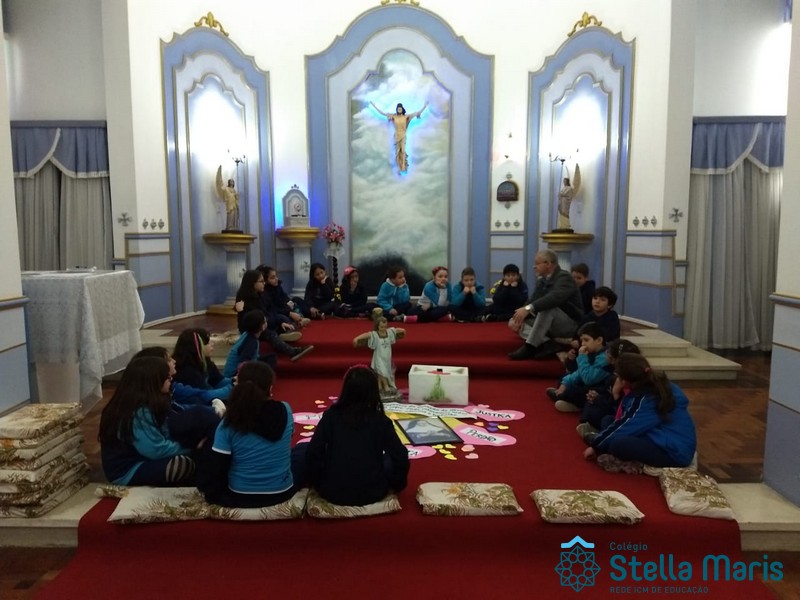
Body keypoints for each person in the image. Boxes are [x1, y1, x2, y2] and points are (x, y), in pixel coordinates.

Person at [197, 361, 306, 508]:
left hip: (240, 495)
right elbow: (287, 441)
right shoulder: (285, 409)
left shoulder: (230, 421)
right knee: (303, 451)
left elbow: (217, 467)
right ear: (270, 388)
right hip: (282, 492)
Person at [305, 365, 410, 506]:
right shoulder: (380, 420)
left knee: (303, 451)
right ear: (373, 392)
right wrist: (396, 484)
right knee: (387, 461)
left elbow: (313, 452)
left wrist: (318, 482)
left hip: (332, 491)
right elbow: (400, 456)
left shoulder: (331, 416)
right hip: (373, 492)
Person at [583, 353, 697, 469]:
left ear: (624, 381)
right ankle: (603, 439)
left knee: (618, 444)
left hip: (673, 453)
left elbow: (628, 424)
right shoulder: (658, 385)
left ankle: (621, 456)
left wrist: (595, 446)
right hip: (659, 435)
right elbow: (625, 419)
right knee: (608, 420)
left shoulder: (647, 398)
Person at [99, 356, 196, 486]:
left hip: (143, 458)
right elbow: (156, 450)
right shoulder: (137, 412)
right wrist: (192, 448)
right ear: (152, 381)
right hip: (128, 470)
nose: (171, 379)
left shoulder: (147, 402)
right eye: (166, 376)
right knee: (182, 464)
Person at [133, 346, 223, 450]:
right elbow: (156, 448)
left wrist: (212, 409)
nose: (174, 361)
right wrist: (192, 447)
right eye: (169, 359)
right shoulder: (142, 411)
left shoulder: (162, 394)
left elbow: (187, 403)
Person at [508, 250, 584, 360]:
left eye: (537, 263)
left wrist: (528, 309)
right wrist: (521, 314)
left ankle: (530, 347)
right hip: (548, 321)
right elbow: (532, 301)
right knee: (514, 321)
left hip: (569, 324)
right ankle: (548, 344)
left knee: (548, 309)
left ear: (548, 264)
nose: (534, 267)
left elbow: (553, 298)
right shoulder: (542, 281)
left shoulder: (564, 278)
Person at [234, 269, 313, 362]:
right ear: (252, 283)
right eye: (261, 281)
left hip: (262, 323)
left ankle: (285, 333)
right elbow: (247, 320)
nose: (264, 283)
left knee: (282, 323)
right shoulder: (243, 299)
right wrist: (241, 311)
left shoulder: (260, 295)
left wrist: (280, 323)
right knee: (271, 333)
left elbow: (268, 311)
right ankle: (293, 352)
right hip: (252, 328)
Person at [576, 339, 642, 437]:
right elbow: (606, 393)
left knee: (605, 419)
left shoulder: (630, 382)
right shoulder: (614, 373)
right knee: (590, 399)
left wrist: (615, 394)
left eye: (608, 354)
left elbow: (622, 412)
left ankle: (602, 434)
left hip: (625, 421)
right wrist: (597, 397)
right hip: (611, 407)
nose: (606, 354)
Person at [545, 322, 609, 413]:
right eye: (582, 340)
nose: (583, 344)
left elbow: (588, 379)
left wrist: (582, 357)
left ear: (599, 340)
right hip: (587, 382)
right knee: (564, 379)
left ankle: (575, 404)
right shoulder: (592, 352)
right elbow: (579, 372)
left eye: (586, 340)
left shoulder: (605, 358)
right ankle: (565, 397)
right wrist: (565, 383)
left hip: (598, 389)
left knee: (574, 391)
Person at [353, 315, 406, 398]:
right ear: (377, 326)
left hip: (387, 357)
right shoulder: (375, 334)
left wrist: (403, 330)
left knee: (385, 371)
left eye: (385, 327)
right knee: (382, 371)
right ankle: (386, 386)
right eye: (381, 327)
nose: (384, 328)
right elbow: (367, 335)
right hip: (379, 357)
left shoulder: (389, 332)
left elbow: (396, 330)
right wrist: (357, 338)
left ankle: (379, 385)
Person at [370, 100, 429, 173]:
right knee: (398, 152)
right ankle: (399, 168)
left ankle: (403, 167)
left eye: (400, 108)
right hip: (396, 136)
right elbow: (382, 113)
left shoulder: (406, 116)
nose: (399, 110)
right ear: (397, 109)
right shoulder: (393, 116)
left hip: (403, 135)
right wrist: (374, 105)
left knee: (403, 151)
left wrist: (424, 106)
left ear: (402, 109)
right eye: (398, 108)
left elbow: (417, 113)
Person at [172, 328, 232, 397]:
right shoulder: (187, 371)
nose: (212, 344)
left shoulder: (206, 362)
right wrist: (232, 387)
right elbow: (205, 396)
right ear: (196, 347)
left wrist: (234, 381)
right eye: (208, 343)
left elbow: (218, 382)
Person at [258, 264, 311, 330]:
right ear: (265, 281)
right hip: (277, 313)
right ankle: (297, 323)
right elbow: (274, 309)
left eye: (276, 276)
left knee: (297, 300)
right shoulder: (265, 293)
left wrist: (289, 303)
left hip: (284, 309)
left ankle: (299, 319)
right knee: (283, 318)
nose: (276, 279)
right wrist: (289, 313)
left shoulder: (278, 287)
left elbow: (284, 298)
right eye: (272, 278)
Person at [215, 165, 240, 232]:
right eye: (231, 181)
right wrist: (233, 195)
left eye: (233, 181)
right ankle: (229, 226)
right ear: (229, 182)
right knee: (230, 215)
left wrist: (236, 196)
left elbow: (236, 197)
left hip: (234, 204)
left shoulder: (234, 190)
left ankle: (234, 226)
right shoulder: (227, 189)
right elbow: (227, 195)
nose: (232, 182)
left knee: (234, 216)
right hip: (230, 205)